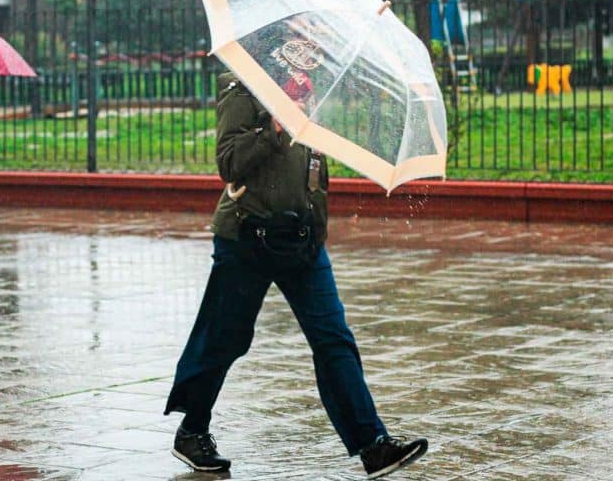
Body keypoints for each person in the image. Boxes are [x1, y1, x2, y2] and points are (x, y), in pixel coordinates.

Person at [164, 54, 428, 478]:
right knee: (225, 338)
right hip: (247, 238)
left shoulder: (313, 90)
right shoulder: (242, 87)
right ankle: (192, 430)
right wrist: (274, 126)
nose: (308, 45)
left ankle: (372, 445)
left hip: (303, 240)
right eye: (300, 35)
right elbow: (228, 162)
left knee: (333, 338)